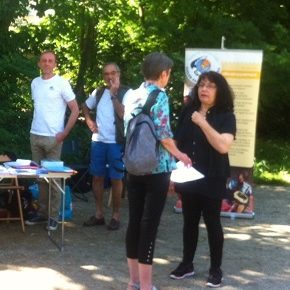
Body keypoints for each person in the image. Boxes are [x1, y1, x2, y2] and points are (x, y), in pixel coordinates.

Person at [123, 52, 192, 290]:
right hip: (156, 169)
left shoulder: (131, 95)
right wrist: (181, 155)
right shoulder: (159, 96)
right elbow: (163, 135)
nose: (168, 78)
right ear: (163, 73)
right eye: (169, 73)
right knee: (149, 225)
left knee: (134, 222)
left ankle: (133, 282)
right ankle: (146, 286)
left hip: (133, 166)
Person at [170, 71, 236, 288]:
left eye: (210, 86)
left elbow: (223, 146)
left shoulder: (226, 115)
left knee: (212, 223)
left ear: (220, 91)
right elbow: (177, 142)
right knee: (189, 222)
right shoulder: (188, 111)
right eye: (201, 85)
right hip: (189, 176)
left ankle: (216, 270)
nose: (204, 89)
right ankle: (187, 264)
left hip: (213, 177)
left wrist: (203, 122)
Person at [26, 51, 79, 230]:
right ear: (39, 64)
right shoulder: (35, 83)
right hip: (35, 135)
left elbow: (75, 110)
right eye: (44, 61)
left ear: (55, 64)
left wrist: (64, 132)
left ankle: (54, 216)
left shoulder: (62, 83)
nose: (47, 64)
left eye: (51, 61)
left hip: (54, 138)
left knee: (54, 179)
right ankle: (42, 213)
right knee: (40, 178)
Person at [82, 62, 130, 231]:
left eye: (112, 73)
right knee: (97, 177)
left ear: (119, 73)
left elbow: (123, 114)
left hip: (117, 142)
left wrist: (114, 94)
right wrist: (89, 120)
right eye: (106, 74)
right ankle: (99, 214)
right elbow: (85, 107)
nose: (109, 77)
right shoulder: (99, 92)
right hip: (98, 141)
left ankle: (116, 216)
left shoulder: (127, 92)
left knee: (116, 179)